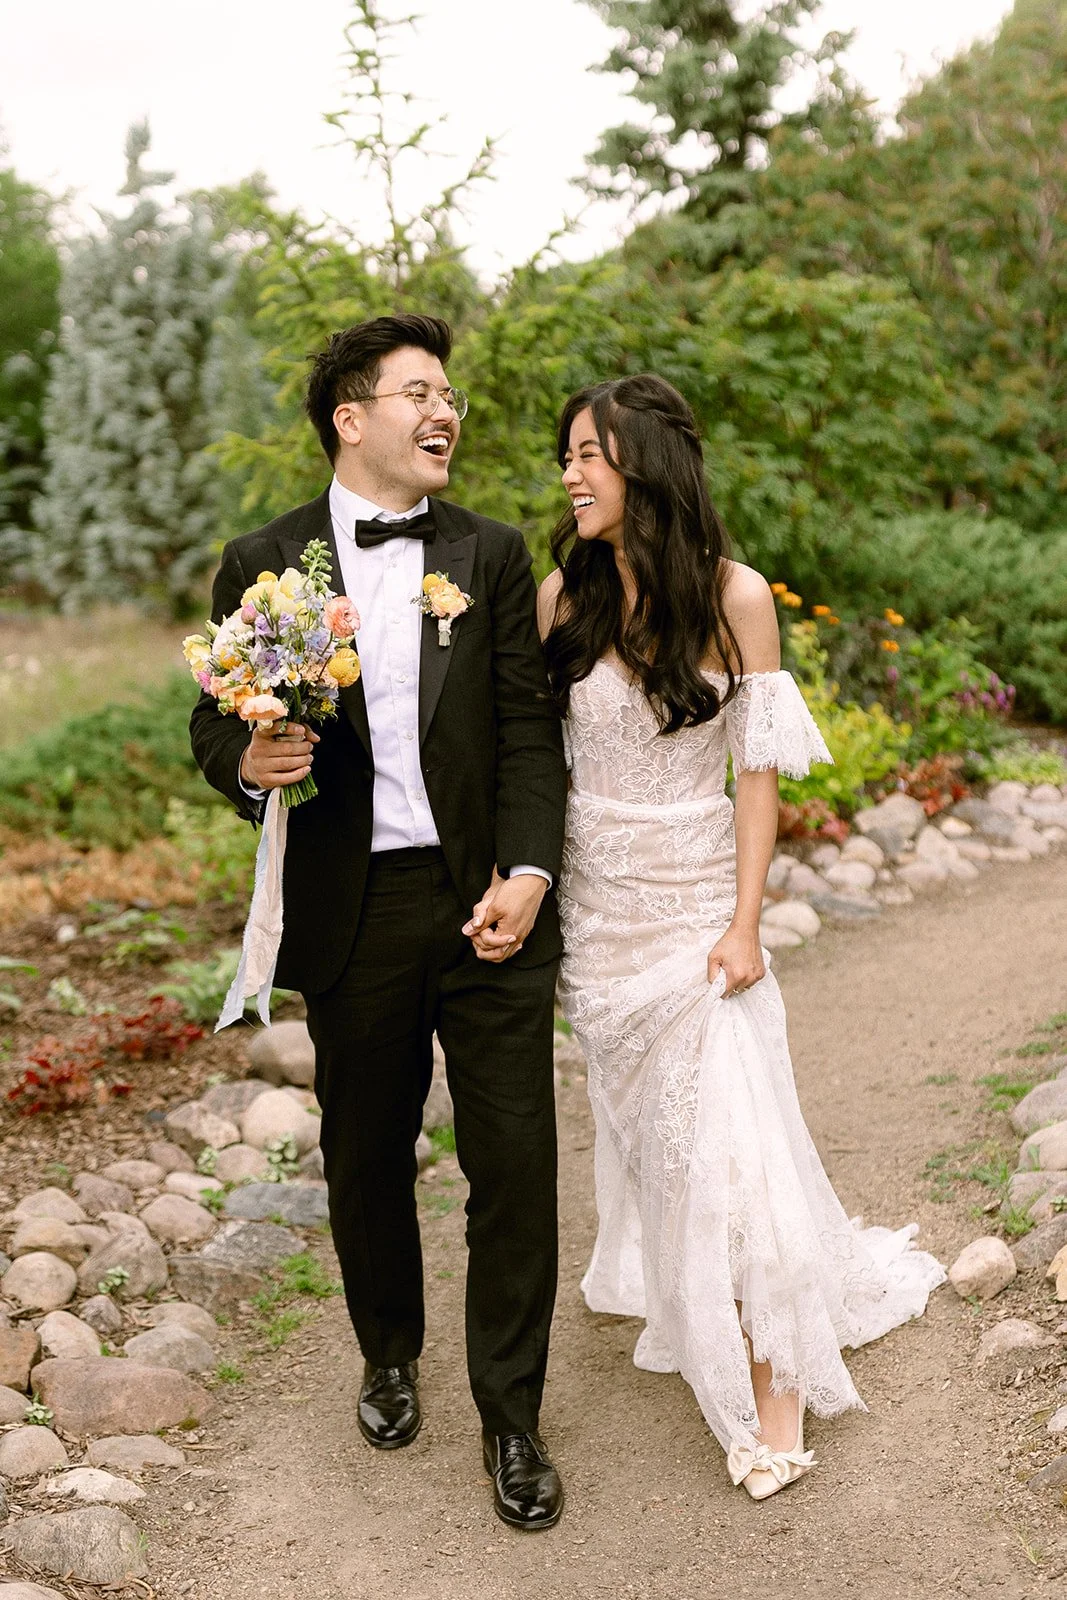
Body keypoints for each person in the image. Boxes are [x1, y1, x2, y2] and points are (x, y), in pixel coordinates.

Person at [191, 314, 567, 1532]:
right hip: (351, 910)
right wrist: (250, 759)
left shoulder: (489, 553)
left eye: (448, 393)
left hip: (486, 902)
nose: (443, 410)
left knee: (514, 1161)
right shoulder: (263, 561)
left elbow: (527, 730)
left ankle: (512, 1416)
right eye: (419, 391)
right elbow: (213, 723)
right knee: (366, 1157)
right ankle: (388, 1351)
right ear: (351, 418)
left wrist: (528, 870)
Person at [539, 374, 944, 1501]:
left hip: (695, 907)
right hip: (599, 917)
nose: (569, 476)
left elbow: (754, 778)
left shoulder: (736, 596)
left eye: (587, 455)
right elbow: (534, 764)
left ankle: (769, 1399)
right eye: (564, 457)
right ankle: (699, 1294)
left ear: (643, 464)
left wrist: (743, 922)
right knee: (657, 1141)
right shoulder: (559, 597)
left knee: (733, 1143)